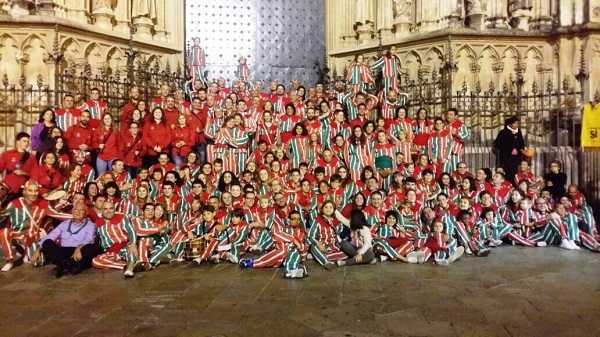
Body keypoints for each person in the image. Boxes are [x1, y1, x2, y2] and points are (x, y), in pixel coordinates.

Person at [39, 202, 99, 277]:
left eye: (81, 210)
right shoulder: (64, 223)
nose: (78, 212)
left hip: (79, 251)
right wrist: (38, 249)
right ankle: (68, 264)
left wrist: (79, 248)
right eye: (76, 210)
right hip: (63, 251)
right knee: (47, 242)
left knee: (91, 248)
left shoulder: (91, 225)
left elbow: (89, 239)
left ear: (86, 213)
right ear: (72, 212)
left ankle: (63, 265)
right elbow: (51, 235)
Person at [493, 116, 525, 183]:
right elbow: (497, 145)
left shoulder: (518, 132)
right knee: (507, 175)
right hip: (505, 159)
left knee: (515, 175)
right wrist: (510, 149)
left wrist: (519, 149)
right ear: (510, 124)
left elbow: (521, 143)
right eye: (515, 123)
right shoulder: (503, 132)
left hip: (515, 159)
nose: (517, 125)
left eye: (517, 123)